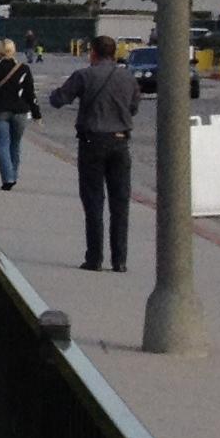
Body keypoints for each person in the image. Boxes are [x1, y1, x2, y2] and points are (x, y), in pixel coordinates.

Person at [48, 37, 142, 272]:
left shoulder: (84, 75)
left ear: (93, 53)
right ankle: (120, 260)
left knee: (93, 201)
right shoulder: (128, 77)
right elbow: (134, 108)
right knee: (120, 203)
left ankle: (94, 257)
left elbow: (59, 100)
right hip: (120, 142)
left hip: (92, 142)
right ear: (114, 53)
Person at [0, 35, 39, 191]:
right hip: (20, 110)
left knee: (2, 144)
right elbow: (30, 93)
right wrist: (37, 114)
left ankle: (8, 177)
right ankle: (13, 174)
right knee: (15, 144)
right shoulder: (24, 69)